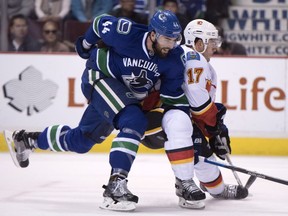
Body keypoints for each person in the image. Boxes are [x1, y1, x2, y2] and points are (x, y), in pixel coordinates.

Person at [7, 10, 204, 211]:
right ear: (153, 34)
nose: (171, 45)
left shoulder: (174, 59)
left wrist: (188, 130)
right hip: (100, 77)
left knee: (81, 140)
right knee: (133, 119)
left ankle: (27, 139)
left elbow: (172, 100)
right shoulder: (126, 33)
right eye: (166, 39)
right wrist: (85, 45)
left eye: (175, 39)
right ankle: (115, 187)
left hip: (126, 97)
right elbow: (100, 23)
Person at [141, 19, 249, 208]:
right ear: (199, 43)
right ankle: (184, 183)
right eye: (212, 42)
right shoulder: (194, 58)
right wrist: (216, 129)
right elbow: (198, 106)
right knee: (191, 141)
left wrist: (213, 131)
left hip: (158, 115)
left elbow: (196, 108)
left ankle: (216, 189)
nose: (216, 47)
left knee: (203, 154)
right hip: (157, 114)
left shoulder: (193, 59)